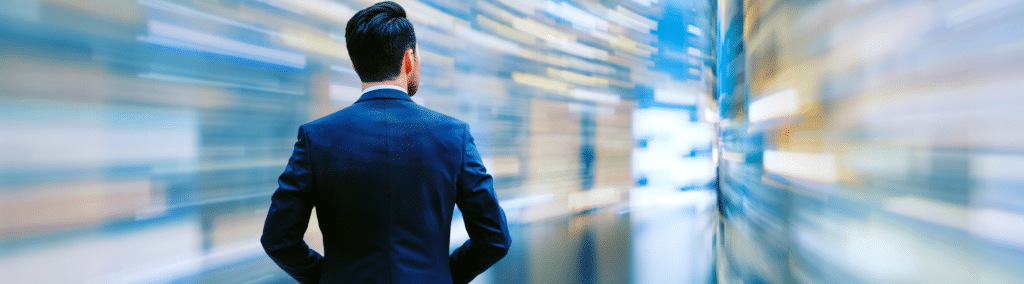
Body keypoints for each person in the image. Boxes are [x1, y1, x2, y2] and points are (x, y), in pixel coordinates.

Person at [260, 2, 511, 283]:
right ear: (409, 59)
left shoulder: (316, 137)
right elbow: (494, 239)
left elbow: (278, 239)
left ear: (355, 65)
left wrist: (331, 277)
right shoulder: (454, 135)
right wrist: (440, 276)